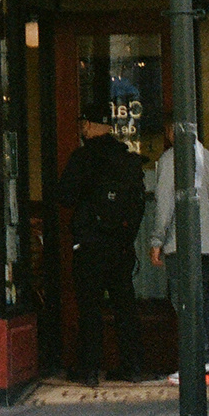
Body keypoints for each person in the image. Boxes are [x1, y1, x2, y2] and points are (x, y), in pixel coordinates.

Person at [54, 102, 146, 385]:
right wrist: (127, 236)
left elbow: (64, 196)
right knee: (124, 306)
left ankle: (90, 369)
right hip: (120, 245)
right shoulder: (127, 159)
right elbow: (138, 205)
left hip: (90, 244)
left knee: (89, 307)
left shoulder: (82, 158)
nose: (82, 129)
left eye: (83, 124)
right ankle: (131, 366)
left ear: (90, 126)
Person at [149, 123, 209, 384]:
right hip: (207, 242)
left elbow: (165, 201)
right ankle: (207, 362)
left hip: (182, 242)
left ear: (172, 131)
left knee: (186, 306)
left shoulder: (171, 159)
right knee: (201, 304)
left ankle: (195, 366)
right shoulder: (207, 156)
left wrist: (157, 239)